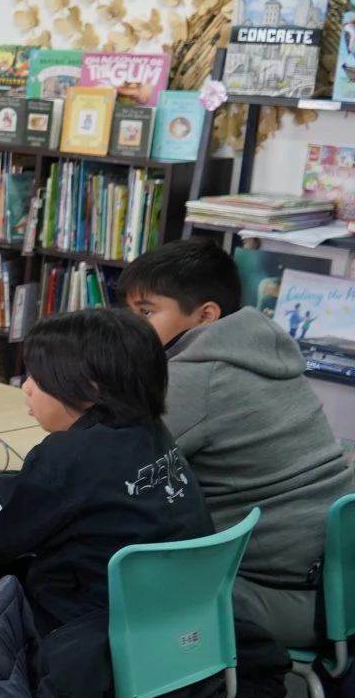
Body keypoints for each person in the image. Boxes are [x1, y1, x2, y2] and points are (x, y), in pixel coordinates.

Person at [0, 308, 212, 630]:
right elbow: (41, 489)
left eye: (39, 377)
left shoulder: (67, 456)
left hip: (75, 636)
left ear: (90, 387)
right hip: (155, 627)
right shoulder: (148, 431)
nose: (26, 387)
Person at [122, 238, 355, 649]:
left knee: (103, 575)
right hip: (335, 584)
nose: (131, 325)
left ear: (205, 315)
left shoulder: (194, 378)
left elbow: (112, 468)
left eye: (146, 312)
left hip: (290, 600)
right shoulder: (266, 353)